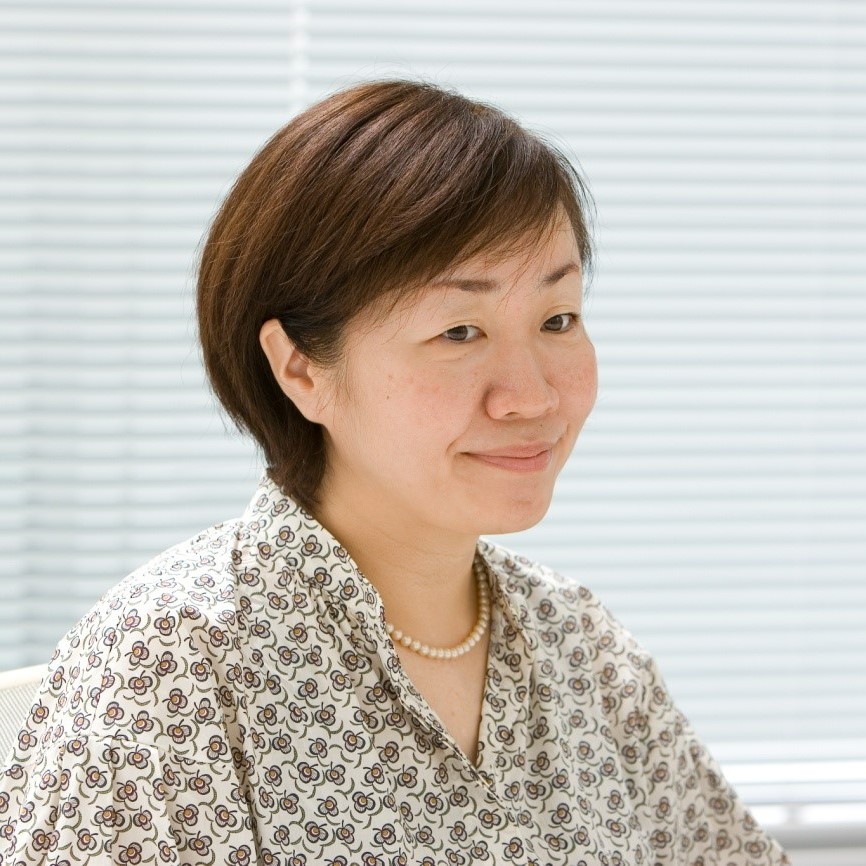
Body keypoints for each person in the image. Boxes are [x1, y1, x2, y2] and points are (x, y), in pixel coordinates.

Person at [0, 79, 789, 866]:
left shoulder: (580, 645)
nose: (533, 396)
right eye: (459, 332)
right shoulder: (173, 660)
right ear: (301, 368)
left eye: (558, 319)